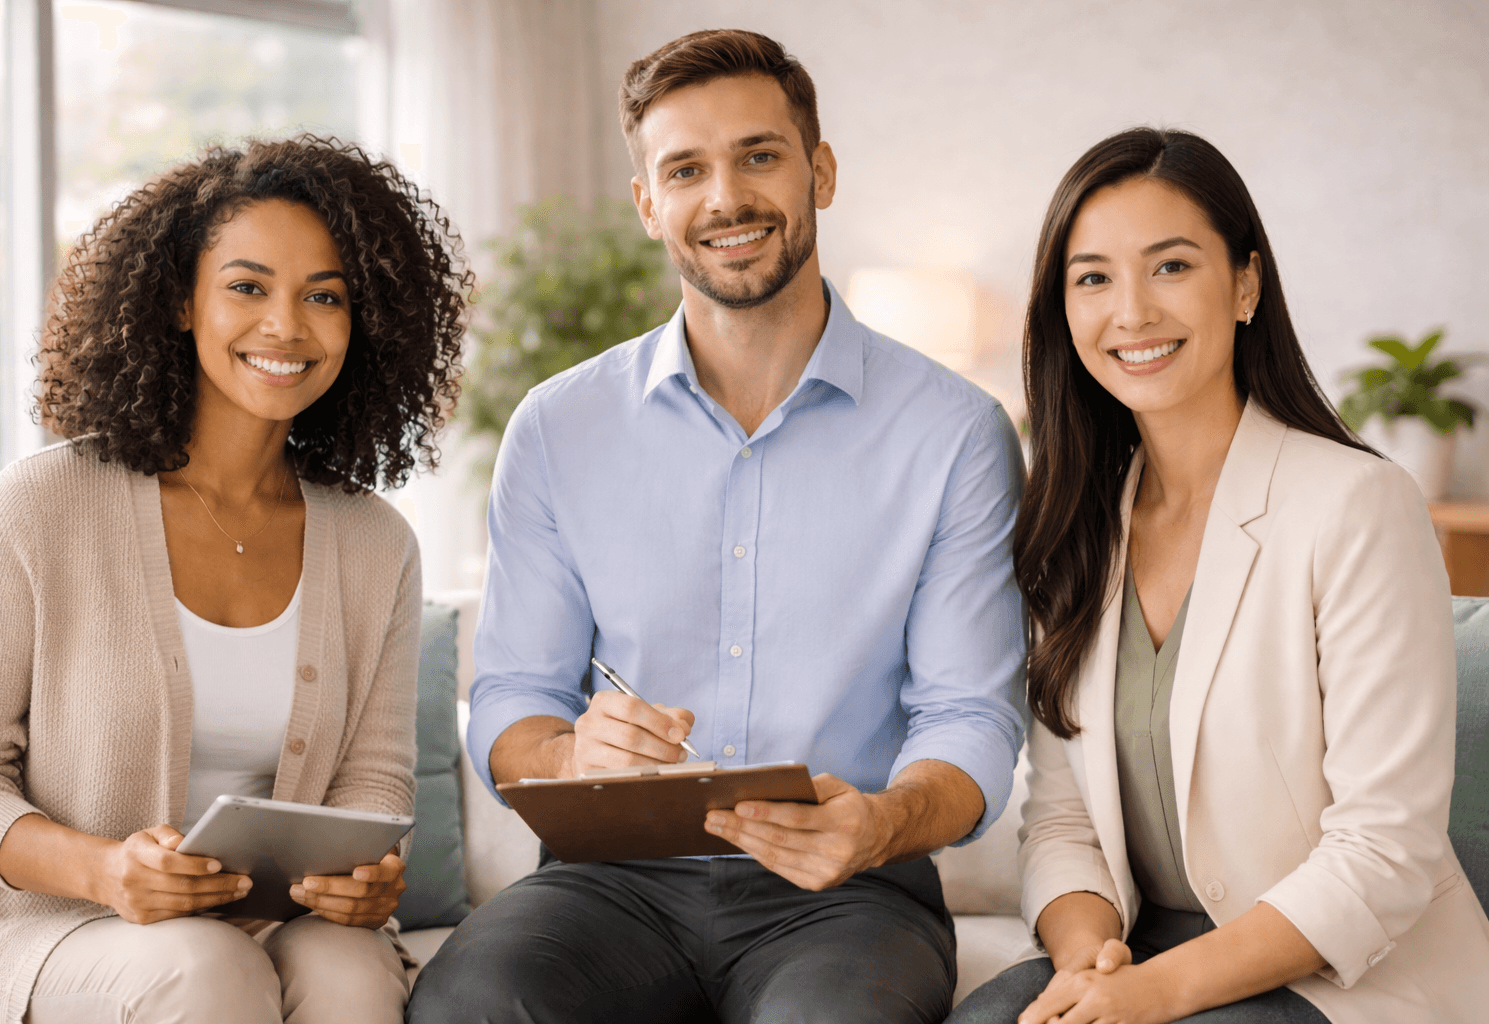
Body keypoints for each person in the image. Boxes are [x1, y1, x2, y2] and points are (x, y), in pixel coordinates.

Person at [407, 28, 1026, 1024]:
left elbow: (972, 715)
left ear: (820, 171)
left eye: (760, 156)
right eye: (686, 169)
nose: (726, 198)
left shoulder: (955, 435)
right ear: (650, 203)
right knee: (471, 1004)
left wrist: (880, 823)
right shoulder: (558, 429)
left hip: (850, 892)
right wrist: (570, 757)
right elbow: (517, 697)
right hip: (608, 881)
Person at [947, 128, 1489, 1024]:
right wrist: (1093, 970)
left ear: (1245, 283)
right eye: (1093, 278)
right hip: (1140, 953)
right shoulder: (1075, 525)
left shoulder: (1359, 505)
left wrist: (1150, 995)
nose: (1131, 312)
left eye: (1170, 267)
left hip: (1341, 973)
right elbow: (1062, 823)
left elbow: (1381, 852)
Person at [0, 135, 470, 1024]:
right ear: (181, 303)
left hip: (274, 923)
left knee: (351, 970)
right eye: (247, 286)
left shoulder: (377, 542)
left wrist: (365, 883)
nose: (286, 326)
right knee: (205, 967)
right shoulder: (41, 504)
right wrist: (106, 870)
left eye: (325, 296)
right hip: (60, 926)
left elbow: (374, 786)